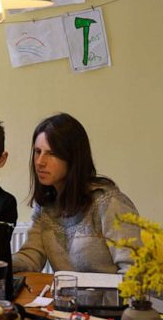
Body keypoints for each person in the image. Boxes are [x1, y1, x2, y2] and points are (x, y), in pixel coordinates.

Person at [12, 113, 139, 275]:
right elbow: (31, 256)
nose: (39, 162)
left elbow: (134, 273)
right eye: (38, 151)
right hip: (72, 299)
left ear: (72, 158)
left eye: (51, 154)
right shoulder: (45, 205)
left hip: (115, 299)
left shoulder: (109, 202)